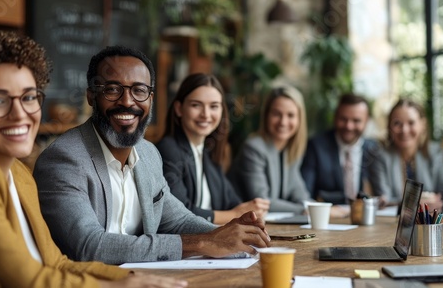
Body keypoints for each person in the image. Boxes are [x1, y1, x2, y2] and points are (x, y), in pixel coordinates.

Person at [0, 32, 187, 288]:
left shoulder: (19, 173)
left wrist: (131, 278)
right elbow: (26, 279)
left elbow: (56, 263)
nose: (19, 114)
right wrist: (114, 287)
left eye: (28, 97)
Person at [33, 46, 271, 265]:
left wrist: (229, 234)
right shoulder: (64, 160)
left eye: (139, 90)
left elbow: (177, 221)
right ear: (91, 96)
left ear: (151, 99)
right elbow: (89, 247)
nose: (127, 102)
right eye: (113, 89)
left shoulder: (148, 154)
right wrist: (203, 242)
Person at [156, 73, 270, 224]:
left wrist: (251, 209)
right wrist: (234, 214)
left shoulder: (207, 152)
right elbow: (179, 212)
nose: (206, 114)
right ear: (179, 109)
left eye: (214, 106)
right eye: (196, 105)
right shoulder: (168, 149)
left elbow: (232, 202)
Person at [227, 84, 312, 214]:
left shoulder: (291, 150)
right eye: (277, 114)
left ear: (300, 119)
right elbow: (262, 202)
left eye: (290, 115)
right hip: (240, 225)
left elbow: (300, 195)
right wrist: (306, 210)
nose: (283, 122)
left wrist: (321, 208)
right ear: (266, 115)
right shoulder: (254, 148)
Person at [300, 93, 380, 216]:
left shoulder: (374, 149)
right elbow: (305, 192)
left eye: (356, 120)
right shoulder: (316, 146)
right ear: (335, 117)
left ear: (366, 121)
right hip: (328, 219)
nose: (349, 126)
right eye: (343, 119)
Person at [369, 98, 443, 209]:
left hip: (429, 221)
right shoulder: (379, 155)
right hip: (392, 223)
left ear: (422, 125)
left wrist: (441, 201)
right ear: (389, 127)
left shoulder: (434, 152)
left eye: (411, 122)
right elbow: (384, 199)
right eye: (397, 123)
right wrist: (417, 203)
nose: (404, 130)